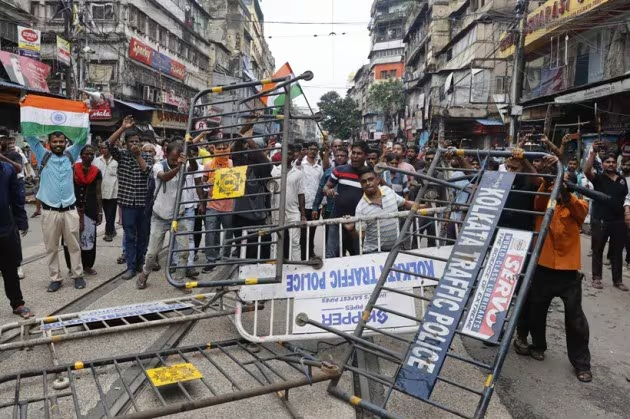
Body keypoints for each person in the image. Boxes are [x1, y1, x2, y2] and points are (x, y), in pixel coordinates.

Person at [524, 159, 592, 383]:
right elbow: (538, 202)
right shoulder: (545, 200)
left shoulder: (578, 204)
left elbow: (579, 210)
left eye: (564, 182)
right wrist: (550, 181)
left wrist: (565, 191)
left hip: (568, 272)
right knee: (537, 310)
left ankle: (582, 364)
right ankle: (538, 345)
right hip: (543, 267)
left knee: (576, 320)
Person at [26, 132, 86, 292]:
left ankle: (78, 275)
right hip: (49, 211)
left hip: (69, 210)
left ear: (66, 142)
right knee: (51, 247)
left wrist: (83, 115)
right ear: (49, 142)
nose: (58, 144)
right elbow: (30, 137)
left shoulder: (70, 154)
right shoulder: (42, 155)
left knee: (74, 245)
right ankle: (55, 278)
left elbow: (82, 138)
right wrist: (26, 111)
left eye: (61, 141)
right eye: (55, 141)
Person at [136, 141, 196, 289]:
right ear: (166, 154)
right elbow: (164, 177)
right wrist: (179, 167)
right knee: (151, 253)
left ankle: (179, 280)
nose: (175, 162)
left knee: (184, 251)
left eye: (178, 159)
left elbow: (193, 168)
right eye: (172, 160)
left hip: (178, 215)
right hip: (159, 216)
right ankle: (144, 273)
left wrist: (190, 157)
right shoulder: (158, 166)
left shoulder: (183, 164)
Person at [107, 116, 154, 280]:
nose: (134, 144)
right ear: (126, 144)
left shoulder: (147, 156)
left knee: (143, 236)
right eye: (131, 142)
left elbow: (148, 173)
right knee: (129, 236)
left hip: (143, 204)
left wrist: (138, 156)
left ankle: (140, 263)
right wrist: (122, 128)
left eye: (137, 141)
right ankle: (130, 266)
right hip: (127, 204)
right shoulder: (122, 155)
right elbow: (107, 145)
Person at [584, 143, 629, 291]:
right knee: (598, 249)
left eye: (613, 162)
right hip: (600, 220)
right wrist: (592, 153)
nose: (611, 164)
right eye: (608, 162)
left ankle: (618, 281)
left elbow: (625, 199)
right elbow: (586, 171)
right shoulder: (599, 178)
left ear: (616, 164)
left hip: (618, 221)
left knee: (616, 252)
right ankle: (597, 278)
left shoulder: (622, 180)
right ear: (603, 164)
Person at [350, 167, 414, 254]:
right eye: (364, 181)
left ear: (377, 179)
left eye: (370, 179)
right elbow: (361, 235)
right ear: (360, 184)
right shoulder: (361, 208)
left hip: (395, 249)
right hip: (373, 252)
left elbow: (406, 204)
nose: (368, 183)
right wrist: (351, 230)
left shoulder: (388, 191)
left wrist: (425, 206)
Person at [323, 141, 369, 257]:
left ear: (365, 156)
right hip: (337, 219)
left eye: (359, 153)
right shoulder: (340, 170)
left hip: (358, 222)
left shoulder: (369, 174)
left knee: (358, 255)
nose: (355, 156)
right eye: (353, 153)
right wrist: (328, 191)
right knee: (332, 255)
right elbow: (326, 186)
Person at [62, 145, 102, 276]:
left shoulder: (97, 171)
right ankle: (72, 265)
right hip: (72, 207)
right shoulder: (73, 169)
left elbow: (98, 192)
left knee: (88, 238)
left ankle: (87, 265)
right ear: (81, 155)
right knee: (70, 238)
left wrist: (100, 211)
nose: (89, 156)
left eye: (91, 154)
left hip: (90, 209)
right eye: (86, 153)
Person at [0, 157, 32, 317]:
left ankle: (17, 303)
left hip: (6, 227)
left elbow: (16, 199)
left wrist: (22, 221)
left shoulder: (7, 170)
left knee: (10, 268)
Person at [203, 140, 234, 272]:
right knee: (210, 232)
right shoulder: (208, 164)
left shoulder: (232, 163)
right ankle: (211, 259)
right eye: (219, 148)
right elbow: (203, 184)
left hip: (229, 204)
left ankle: (225, 255)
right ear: (213, 148)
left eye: (224, 148)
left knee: (228, 232)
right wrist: (210, 182)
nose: (222, 150)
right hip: (212, 204)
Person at [272, 144, 306, 261]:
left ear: (293, 156)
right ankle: (274, 266)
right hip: (276, 211)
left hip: (293, 212)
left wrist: (303, 214)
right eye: (285, 153)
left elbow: (301, 194)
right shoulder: (274, 171)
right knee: (275, 242)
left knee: (295, 242)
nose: (287, 156)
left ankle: (296, 267)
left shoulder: (298, 173)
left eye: (290, 154)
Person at [299, 142, 323, 260]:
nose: (313, 151)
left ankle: (310, 252)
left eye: (315, 149)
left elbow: (321, 186)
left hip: (315, 206)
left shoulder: (319, 168)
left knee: (312, 231)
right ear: (307, 150)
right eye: (311, 149)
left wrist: (321, 204)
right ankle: (303, 255)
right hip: (303, 205)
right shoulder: (301, 165)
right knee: (303, 233)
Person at [313, 149, 348, 221]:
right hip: (331, 209)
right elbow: (320, 190)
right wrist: (315, 208)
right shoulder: (329, 172)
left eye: (342, 156)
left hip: (348, 210)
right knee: (329, 231)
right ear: (334, 157)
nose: (339, 157)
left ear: (347, 157)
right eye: (337, 156)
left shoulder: (351, 172)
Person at [94, 143, 118, 242]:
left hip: (114, 191)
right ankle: (112, 229)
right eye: (101, 148)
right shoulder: (97, 161)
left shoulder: (117, 161)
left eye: (105, 148)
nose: (103, 150)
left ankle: (108, 233)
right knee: (103, 212)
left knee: (110, 214)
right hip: (100, 191)